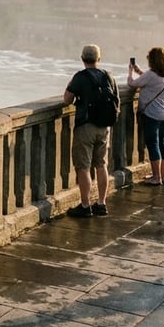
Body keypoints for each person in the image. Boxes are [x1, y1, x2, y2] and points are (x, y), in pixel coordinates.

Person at [63, 44, 117, 218]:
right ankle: (101, 203)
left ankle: (85, 206)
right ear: (98, 59)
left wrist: (70, 86)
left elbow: (67, 100)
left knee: (83, 166)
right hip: (104, 126)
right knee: (101, 164)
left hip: (85, 127)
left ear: (82, 59)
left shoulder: (80, 77)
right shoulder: (108, 76)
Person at [128, 47, 164, 186]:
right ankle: (163, 175)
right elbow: (153, 80)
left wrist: (130, 72)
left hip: (152, 114)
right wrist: (140, 72)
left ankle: (156, 177)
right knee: (163, 143)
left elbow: (132, 83)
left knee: (153, 145)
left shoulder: (150, 75)